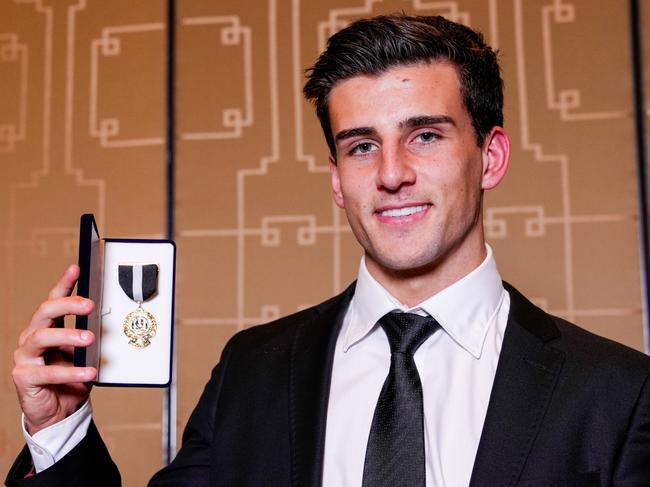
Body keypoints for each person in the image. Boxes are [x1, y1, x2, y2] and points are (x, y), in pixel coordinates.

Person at [7, 14, 650, 487]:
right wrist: (59, 429)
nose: (391, 173)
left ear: (491, 156)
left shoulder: (618, 394)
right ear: (338, 180)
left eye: (424, 136)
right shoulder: (251, 371)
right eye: (362, 145)